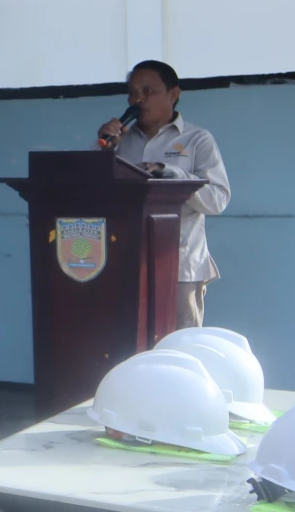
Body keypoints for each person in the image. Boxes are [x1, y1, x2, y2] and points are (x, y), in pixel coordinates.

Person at [97, 60, 231, 330]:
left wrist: (169, 173)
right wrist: (104, 152)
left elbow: (217, 200)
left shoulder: (197, 139)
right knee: (128, 341)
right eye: (133, 92)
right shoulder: (120, 141)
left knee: (179, 344)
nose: (138, 99)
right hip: (125, 262)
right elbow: (95, 194)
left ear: (173, 94)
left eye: (148, 91)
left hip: (180, 266)